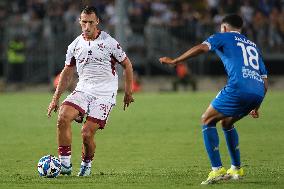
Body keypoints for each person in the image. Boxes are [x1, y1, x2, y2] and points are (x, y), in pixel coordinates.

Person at [159, 14, 268, 184]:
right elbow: (265, 80)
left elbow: (202, 48)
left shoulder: (222, 37)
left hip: (238, 88)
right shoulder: (253, 46)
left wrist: (176, 61)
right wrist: (257, 104)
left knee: (207, 120)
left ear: (224, 27)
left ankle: (216, 170)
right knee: (227, 123)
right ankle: (236, 168)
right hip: (257, 92)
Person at [47, 6, 134, 177]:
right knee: (63, 116)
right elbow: (67, 72)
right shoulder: (74, 45)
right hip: (83, 89)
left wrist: (128, 91)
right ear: (80, 22)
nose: (87, 26)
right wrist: (55, 98)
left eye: (90, 23)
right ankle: (65, 166)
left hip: (104, 94)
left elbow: (127, 65)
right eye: (84, 22)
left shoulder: (109, 43)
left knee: (86, 134)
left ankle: (86, 164)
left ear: (97, 22)